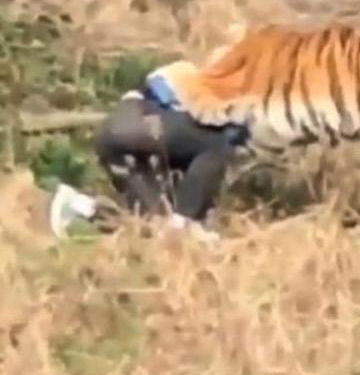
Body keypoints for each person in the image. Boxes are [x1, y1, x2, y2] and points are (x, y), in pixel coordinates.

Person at [50, 58, 249, 241]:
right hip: (142, 123)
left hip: (112, 137)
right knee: (217, 146)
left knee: (154, 228)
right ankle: (184, 223)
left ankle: (81, 206)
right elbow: (216, 136)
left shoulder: (186, 75)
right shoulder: (196, 80)